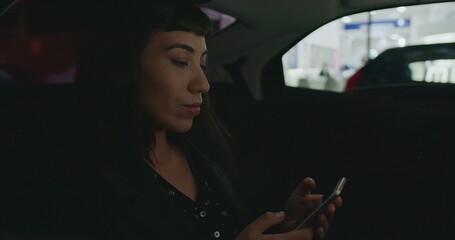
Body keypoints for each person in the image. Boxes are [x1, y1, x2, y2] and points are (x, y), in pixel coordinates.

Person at [17, 1, 342, 239]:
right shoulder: (78, 188)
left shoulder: (205, 152)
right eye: (180, 61)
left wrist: (282, 226)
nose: (203, 84)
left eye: (202, 63)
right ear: (125, 66)